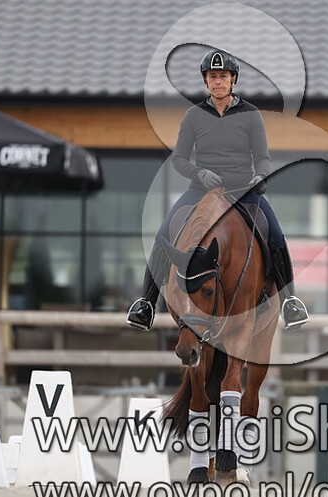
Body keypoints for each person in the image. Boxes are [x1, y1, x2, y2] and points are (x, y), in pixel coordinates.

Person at [126, 48, 309, 331]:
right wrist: (198, 173)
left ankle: (290, 302)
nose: (218, 81)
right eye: (212, 76)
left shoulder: (251, 114)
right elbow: (179, 159)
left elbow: (263, 158)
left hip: (243, 189)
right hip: (201, 189)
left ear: (233, 79)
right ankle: (146, 303)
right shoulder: (194, 115)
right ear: (206, 80)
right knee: (163, 232)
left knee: (274, 233)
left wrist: (260, 176)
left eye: (223, 76)